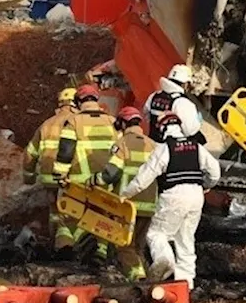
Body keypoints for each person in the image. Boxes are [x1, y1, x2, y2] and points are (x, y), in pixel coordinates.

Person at [120, 112, 222, 289]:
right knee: (186, 240)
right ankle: (186, 285)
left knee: (156, 234)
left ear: (162, 128)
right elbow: (215, 172)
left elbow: (144, 177)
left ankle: (164, 260)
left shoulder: (165, 148)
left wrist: (125, 194)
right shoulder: (197, 147)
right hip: (196, 195)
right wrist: (206, 185)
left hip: (173, 195)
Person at [55, 84, 119, 258]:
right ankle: (100, 253)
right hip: (105, 183)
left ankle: (65, 251)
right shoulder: (112, 122)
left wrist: (60, 175)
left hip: (79, 182)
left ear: (78, 102)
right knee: (102, 219)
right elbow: (121, 154)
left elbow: (66, 151)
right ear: (96, 100)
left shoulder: (74, 122)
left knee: (67, 219)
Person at [94, 107, 157, 281]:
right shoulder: (152, 145)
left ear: (122, 123)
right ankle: (150, 282)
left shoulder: (122, 144)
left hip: (128, 206)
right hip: (150, 205)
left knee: (124, 246)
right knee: (138, 248)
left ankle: (138, 279)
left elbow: (111, 173)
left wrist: (95, 180)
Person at [22, 87, 78, 250]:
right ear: (75, 104)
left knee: (54, 210)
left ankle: (54, 242)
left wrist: (29, 176)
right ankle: (66, 246)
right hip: (67, 177)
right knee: (68, 214)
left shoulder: (46, 124)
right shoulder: (77, 123)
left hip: (48, 177)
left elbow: (30, 152)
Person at [144, 63, 204, 144]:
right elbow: (190, 131)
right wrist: (198, 122)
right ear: (185, 84)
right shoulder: (182, 102)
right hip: (172, 149)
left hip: (152, 146)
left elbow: (147, 116)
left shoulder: (154, 96)